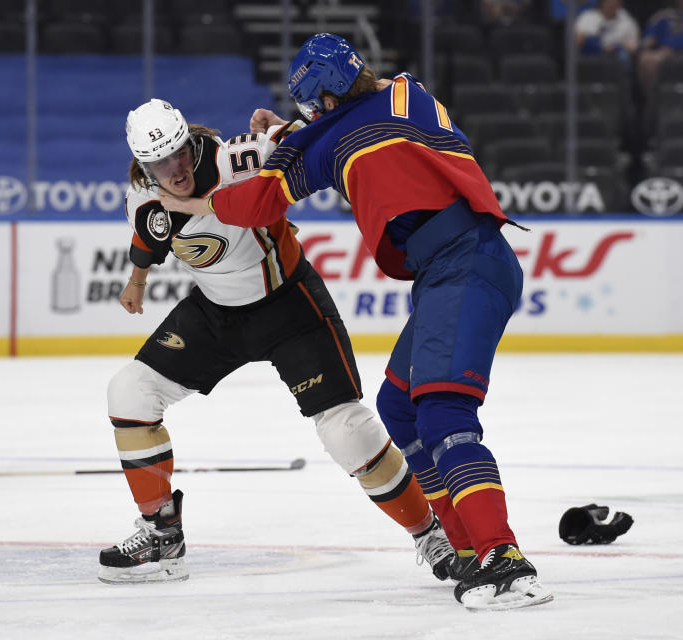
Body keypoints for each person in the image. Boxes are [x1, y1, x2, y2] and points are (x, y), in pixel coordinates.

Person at [151, 34, 553, 611]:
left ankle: (503, 558)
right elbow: (349, 127)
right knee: (399, 407)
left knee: (443, 409)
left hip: (461, 265)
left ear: (325, 102)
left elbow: (262, 201)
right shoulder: (405, 93)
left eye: (312, 108)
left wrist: (200, 205)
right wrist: (291, 132)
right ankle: (466, 549)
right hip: (466, 261)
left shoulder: (333, 135)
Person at [98, 98, 457, 584]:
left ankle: (432, 535)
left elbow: (315, 135)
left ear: (190, 139)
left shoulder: (242, 160)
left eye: (180, 153)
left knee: (347, 431)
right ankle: (162, 534)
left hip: (289, 305)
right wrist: (136, 282)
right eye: (160, 163)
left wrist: (292, 127)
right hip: (215, 311)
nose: (175, 169)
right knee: (129, 393)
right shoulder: (141, 196)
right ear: (142, 165)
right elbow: (148, 238)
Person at [575, 0, 640, 68]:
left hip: (617, 58)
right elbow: (578, 41)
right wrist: (600, 47)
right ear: (602, 3)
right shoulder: (588, 17)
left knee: (623, 55)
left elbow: (634, 47)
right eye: (608, 2)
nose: (611, 5)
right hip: (592, 57)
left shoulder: (627, 20)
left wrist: (617, 48)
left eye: (615, 2)